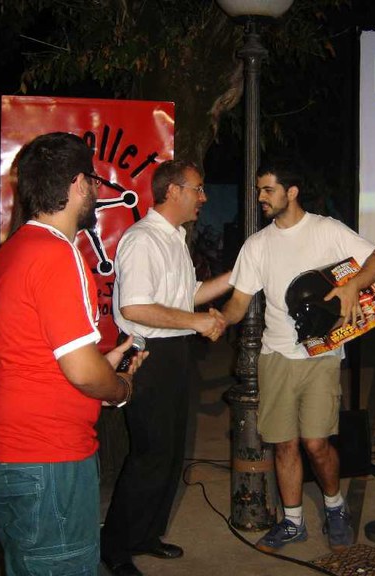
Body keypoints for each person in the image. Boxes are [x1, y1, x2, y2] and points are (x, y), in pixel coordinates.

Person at [0, 131, 147, 576]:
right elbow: (83, 374)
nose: (95, 190)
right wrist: (119, 388)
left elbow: (38, 356)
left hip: (14, 452)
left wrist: (102, 364)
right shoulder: (58, 254)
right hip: (48, 458)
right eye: (93, 180)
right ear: (77, 184)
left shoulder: (12, 251)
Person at [221, 159, 375, 553]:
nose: (260, 197)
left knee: (316, 443)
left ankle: (335, 507)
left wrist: (353, 287)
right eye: (259, 190)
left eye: (268, 190)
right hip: (275, 356)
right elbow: (238, 304)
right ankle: (293, 522)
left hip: (321, 355)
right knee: (284, 444)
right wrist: (209, 321)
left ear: (291, 192)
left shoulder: (326, 229)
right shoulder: (257, 244)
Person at [100, 160, 230, 576]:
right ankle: (116, 547)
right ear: (173, 191)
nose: (203, 197)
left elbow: (187, 295)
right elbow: (134, 307)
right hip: (148, 354)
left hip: (175, 352)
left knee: (171, 452)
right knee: (149, 454)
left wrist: (239, 275)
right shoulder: (142, 239)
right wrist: (198, 322)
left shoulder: (175, 237)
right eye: (198, 189)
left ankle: (146, 535)